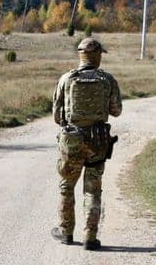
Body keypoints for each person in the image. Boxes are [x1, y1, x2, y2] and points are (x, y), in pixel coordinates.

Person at [51, 37, 122, 250]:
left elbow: (56, 115)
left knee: (66, 186)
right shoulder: (107, 79)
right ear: (98, 55)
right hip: (98, 141)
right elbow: (116, 111)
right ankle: (90, 237)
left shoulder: (66, 79)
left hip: (71, 141)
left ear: (81, 55)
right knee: (92, 190)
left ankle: (66, 232)